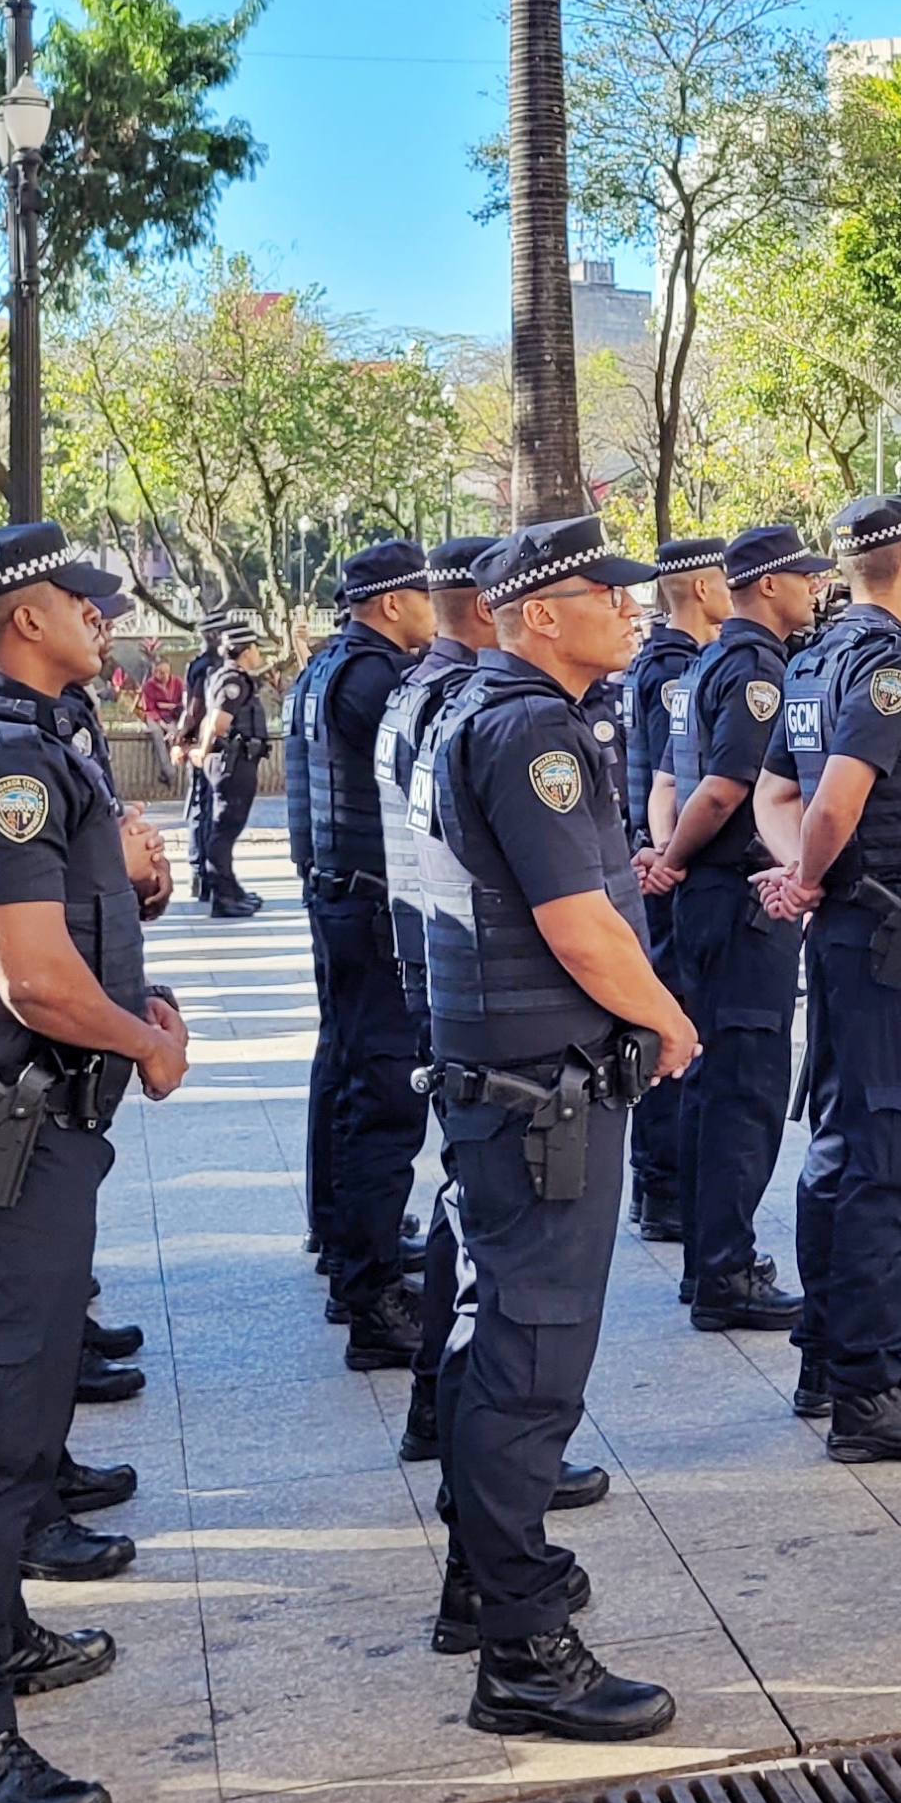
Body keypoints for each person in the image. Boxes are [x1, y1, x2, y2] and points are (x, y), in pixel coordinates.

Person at [0, 524, 192, 1803]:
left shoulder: (36, 738)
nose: (104, 619)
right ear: (23, 617)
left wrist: (140, 927)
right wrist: (148, 1045)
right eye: (86, 601)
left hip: (38, 1125)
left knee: (15, 1416)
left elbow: (76, 928)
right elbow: (30, 979)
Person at [399, 518, 698, 1731]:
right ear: (532, 615)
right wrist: (671, 1020)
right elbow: (580, 927)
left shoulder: (489, 710)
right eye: (602, 593)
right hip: (540, 1096)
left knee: (495, 1345)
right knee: (531, 1365)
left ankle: (485, 1586)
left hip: (507, 1086)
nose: (629, 609)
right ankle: (524, 1653)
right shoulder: (528, 729)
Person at [756, 494, 901, 1463]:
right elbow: (829, 802)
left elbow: (774, 794)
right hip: (888, 935)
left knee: (837, 1146)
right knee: (890, 1154)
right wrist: (810, 870)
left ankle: (827, 1360)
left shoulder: (812, 658)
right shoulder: (887, 661)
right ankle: (873, 1390)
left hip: (846, 928)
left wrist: (801, 878)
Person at [639, 526, 820, 1335]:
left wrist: (669, 857)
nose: (814, 590)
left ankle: (708, 1262)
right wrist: (677, 858)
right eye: (803, 578)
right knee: (744, 1090)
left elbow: (669, 779)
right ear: (770, 585)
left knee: (714, 1085)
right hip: (740, 896)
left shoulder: (707, 659)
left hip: (707, 895)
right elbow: (721, 790)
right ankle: (726, 1271)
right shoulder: (753, 668)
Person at [295, 544, 436, 1369]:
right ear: (391, 603)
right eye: (422, 594)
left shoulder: (330, 668)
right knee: (381, 1093)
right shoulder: (374, 678)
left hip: (342, 894)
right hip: (371, 905)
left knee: (348, 1073)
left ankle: (350, 1242)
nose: (431, 607)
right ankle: (370, 1289)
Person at [376, 540, 498, 1465]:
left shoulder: (417, 689)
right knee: (480, 1210)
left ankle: (437, 1406)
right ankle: (450, 1411)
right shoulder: (463, 703)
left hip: (428, 959)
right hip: (466, 977)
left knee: (464, 1195)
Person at [619, 539, 730, 1255]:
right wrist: (670, 855)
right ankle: (662, 1186)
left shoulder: (665, 662)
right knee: (671, 1026)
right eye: (722, 577)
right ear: (693, 586)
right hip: (665, 869)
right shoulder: (672, 669)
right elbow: (675, 777)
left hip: (658, 859)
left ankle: (659, 1181)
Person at [176, 621, 270, 918]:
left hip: (233, 761)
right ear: (247, 650)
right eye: (256, 648)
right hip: (232, 762)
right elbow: (217, 723)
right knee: (224, 829)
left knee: (224, 827)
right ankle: (222, 896)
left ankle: (230, 891)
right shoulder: (233, 679)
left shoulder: (227, 675)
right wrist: (202, 751)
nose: (259, 654)